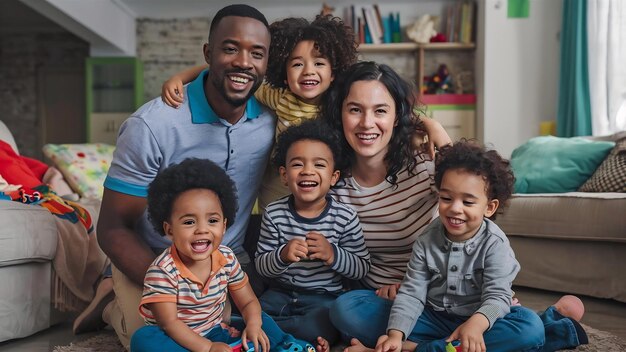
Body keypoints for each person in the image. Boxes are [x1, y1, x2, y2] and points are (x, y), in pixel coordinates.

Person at [319, 61, 588, 352]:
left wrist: (429, 124)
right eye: (355, 109)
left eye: (381, 110)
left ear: (398, 117)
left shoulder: (425, 167)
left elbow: (465, 169)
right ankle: (531, 333)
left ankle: (417, 348)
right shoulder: (330, 181)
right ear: (340, 113)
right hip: (401, 303)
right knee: (344, 311)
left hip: (465, 300)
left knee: (526, 330)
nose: (367, 123)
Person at [96, 5, 274, 349]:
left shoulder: (270, 121)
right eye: (230, 48)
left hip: (226, 266)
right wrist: (171, 284)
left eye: (257, 53)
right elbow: (112, 227)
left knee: (260, 329)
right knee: (153, 338)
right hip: (159, 262)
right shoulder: (151, 126)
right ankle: (111, 303)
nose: (243, 62)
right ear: (209, 53)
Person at [161, 15, 450, 210]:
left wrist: (431, 124)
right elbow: (231, 72)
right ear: (284, 74)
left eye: (319, 63)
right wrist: (182, 77)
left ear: (334, 72)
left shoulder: (338, 102)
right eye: (297, 64)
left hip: (326, 190)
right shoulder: (275, 95)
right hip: (279, 189)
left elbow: (386, 113)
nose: (308, 71)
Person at [374, 140, 543, 352]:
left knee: (530, 328)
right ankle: (448, 346)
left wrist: (476, 324)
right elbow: (412, 293)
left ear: (489, 207)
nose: (454, 208)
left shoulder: (495, 244)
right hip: (433, 317)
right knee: (350, 308)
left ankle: (421, 348)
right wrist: (395, 335)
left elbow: (497, 297)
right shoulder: (427, 239)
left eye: (468, 202)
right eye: (446, 198)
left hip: (481, 321)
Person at [130, 158, 314, 352]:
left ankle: (287, 345)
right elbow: (170, 324)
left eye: (212, 220)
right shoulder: (162, 271)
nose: (202, 229)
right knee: (143, 339)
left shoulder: (226, 258)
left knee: (259, 318)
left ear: (224, 226)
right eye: (189, 222)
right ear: (169, 230)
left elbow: (248, 301)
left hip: (214, 331)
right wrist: (208, 348)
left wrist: (253, 325)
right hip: (176, 339)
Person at [255, 120, 370, 344]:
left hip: (323, 298)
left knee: (320, 325)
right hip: (280, 293)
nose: (307, 171)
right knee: (255, 314)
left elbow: (361, 268)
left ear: (334, 177)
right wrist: (282, 255)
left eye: (319, 165)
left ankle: (282, 335)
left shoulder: (345, 216)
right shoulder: (274, 212)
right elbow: (262, 265)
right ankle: (286, 335)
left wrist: (332, 254)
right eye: (297, 164)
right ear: (284, 175)